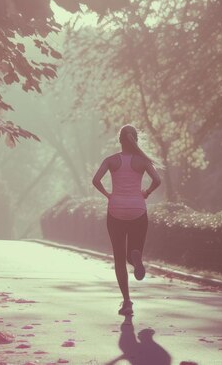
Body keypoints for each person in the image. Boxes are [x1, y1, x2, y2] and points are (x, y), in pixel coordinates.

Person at [92, 124, 161, 316]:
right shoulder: (142, 161)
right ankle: (136, 257)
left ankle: (127, 302)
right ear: (135, 140)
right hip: (138, 209)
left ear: (120, 140)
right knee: (133, 251)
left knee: (119, 258)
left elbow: (95, 180)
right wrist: (146, 192)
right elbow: (157, 180)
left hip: (116, 210)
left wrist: (108, 195)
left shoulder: (111, 160)